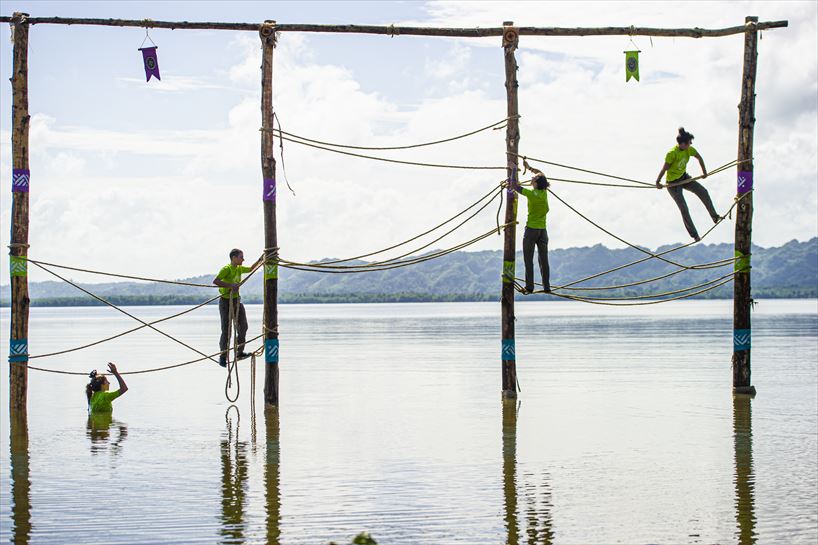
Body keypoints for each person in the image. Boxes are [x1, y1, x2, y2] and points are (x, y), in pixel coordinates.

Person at [656, 127, 721, 242]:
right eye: (689, 143)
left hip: (683, 177)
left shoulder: (689, 150)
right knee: (684, 208)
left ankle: (715, 217)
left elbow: (699, 158)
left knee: (703, 191)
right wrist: (658, 182)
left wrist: (704, 172)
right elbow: (664, 168)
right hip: (672, 184)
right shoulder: (672, 153)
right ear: (682, 144)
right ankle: (695, 235)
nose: (691, 144)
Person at [213, 248, 261, 367]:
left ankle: (239, 352)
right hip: (225, 302)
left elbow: (250, 269)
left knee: (243, 326)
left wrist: (261, 259)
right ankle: (223, 356)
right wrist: (230, 286)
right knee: (226, 330)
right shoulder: (226, 269)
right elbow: (216, 281)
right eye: (241, 257)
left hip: (236, 301)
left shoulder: (239, 269)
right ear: (234, 258)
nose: (243, 260)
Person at [511, 160, 551, 294]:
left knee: (528, 259)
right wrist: (529, 168)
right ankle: (547, 287)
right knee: (543, 259)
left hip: (531, 230)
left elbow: (514, 186)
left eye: (533, 178)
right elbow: (541, 174)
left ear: (536, 183)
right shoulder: (544, 191)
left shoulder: (531, 194)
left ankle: (529, 287)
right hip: (543, 231)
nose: (532, 178)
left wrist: (513, 169)